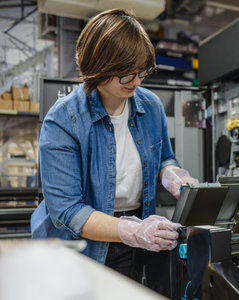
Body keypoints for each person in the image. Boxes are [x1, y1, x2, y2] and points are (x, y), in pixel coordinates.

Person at [30, 8, 198, 279]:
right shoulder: (64, 119)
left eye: (142, 71)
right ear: (98, 67)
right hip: (74, 246)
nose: (136, 81)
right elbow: (68, 210)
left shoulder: (151, 106)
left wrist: (172, 175)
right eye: (125, 74)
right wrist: (131, 230)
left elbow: (165, 157)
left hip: (131, 240)